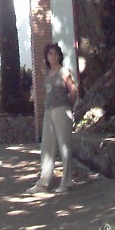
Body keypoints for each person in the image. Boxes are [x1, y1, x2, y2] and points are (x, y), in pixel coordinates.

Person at [26, 42, 78, 194]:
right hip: (49, 111)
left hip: (62, 110)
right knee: (47, 147)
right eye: (50, 54)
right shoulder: (47, 74)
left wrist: (68, 106)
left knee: (64, 145)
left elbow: (73, 91)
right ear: (46, 57)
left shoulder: (64, 71)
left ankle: (66, 182)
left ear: (59, 55)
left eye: (55, 54)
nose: (52, 56)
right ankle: (44, 182)